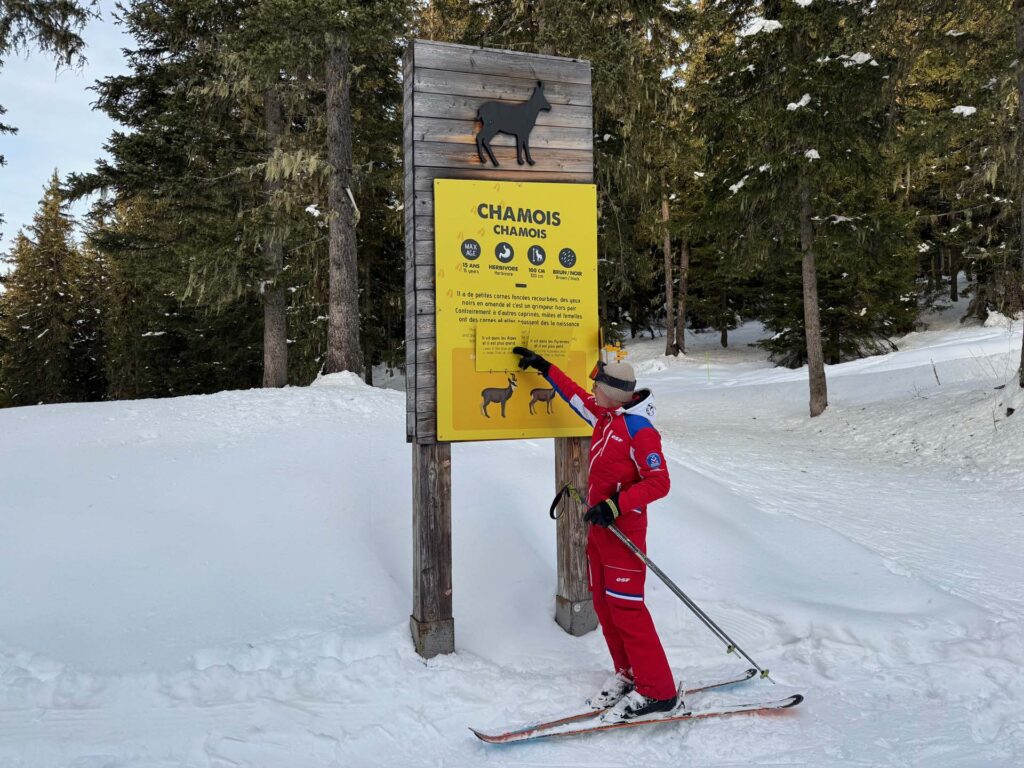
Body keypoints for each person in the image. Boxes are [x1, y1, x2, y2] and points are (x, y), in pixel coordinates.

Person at [512, 346, 679, 722]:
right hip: (600, 532)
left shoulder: (640, 431)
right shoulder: (605, 416)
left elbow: (660, 482)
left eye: (597, 384)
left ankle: (659, 691)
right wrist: (544, 368)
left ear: (612, 391)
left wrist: (616, 505)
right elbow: (573, 395)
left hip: (625, 535)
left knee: (628, 610)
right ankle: (630, 673)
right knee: (605, 605)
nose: (592, 387)